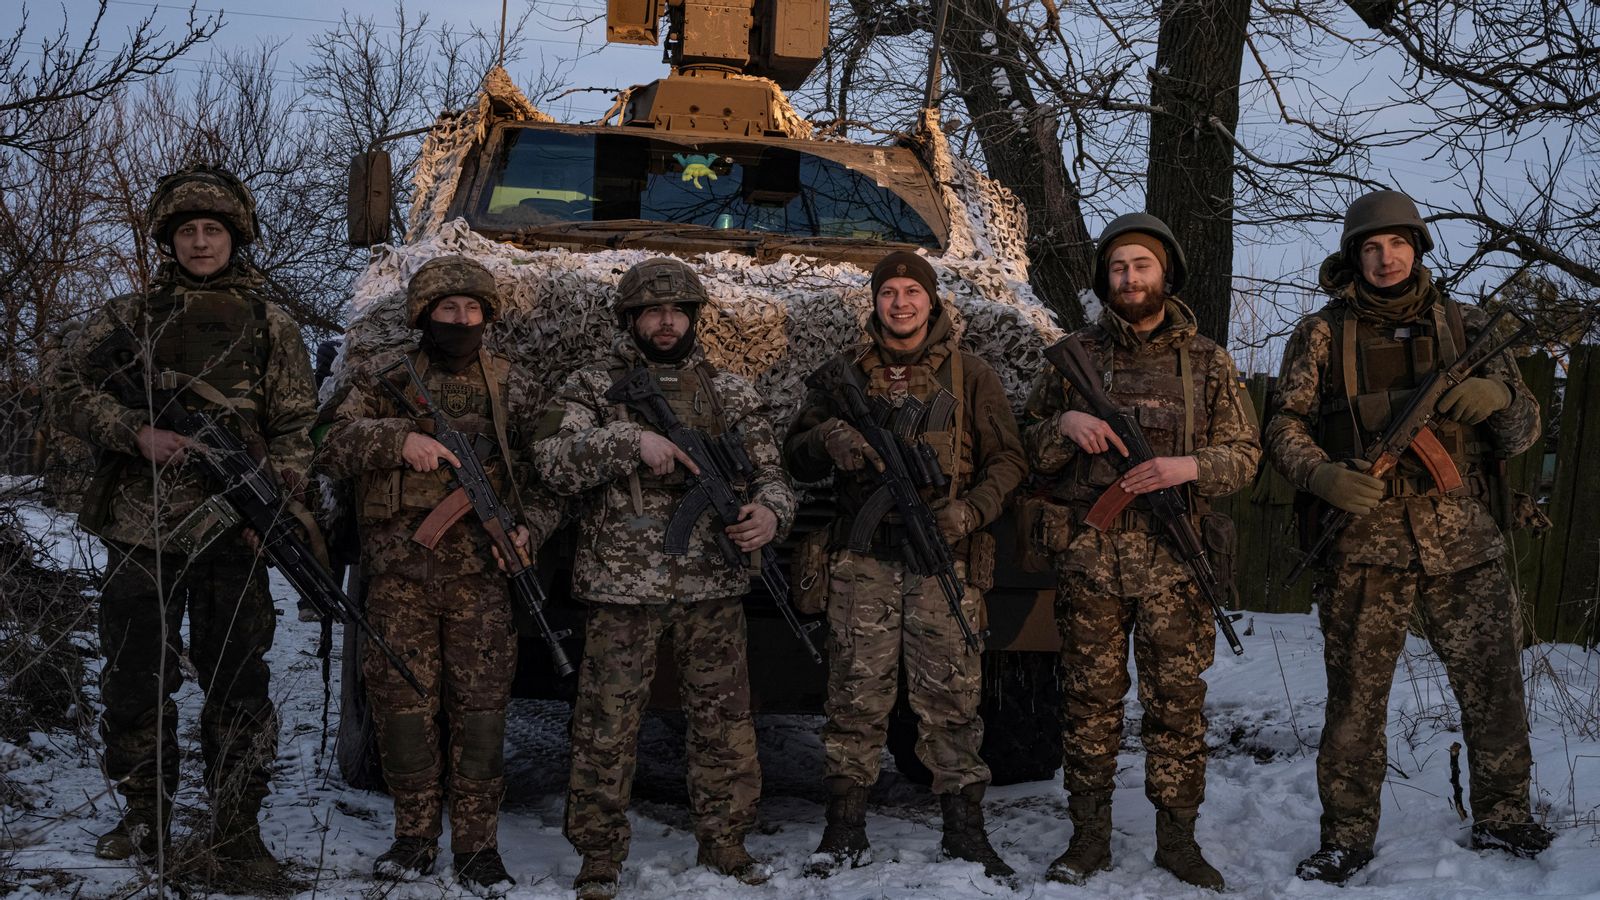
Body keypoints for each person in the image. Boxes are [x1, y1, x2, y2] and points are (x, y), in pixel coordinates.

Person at [1265, 189, 1552, 884]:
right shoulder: (1321, 334)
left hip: (1465, 542)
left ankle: (1504, 816)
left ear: (1418, 248)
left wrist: (1503, 398)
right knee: (1355, 703)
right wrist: (1323, 476)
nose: (1385, 257)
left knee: (1494, 688)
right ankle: (1348, 836)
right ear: (1353, 257)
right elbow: (1281, 427)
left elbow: (1526, 431)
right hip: (1365, 546)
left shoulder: (1470, 325)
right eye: (1370, 247)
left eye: (1397, 244)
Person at [52, 165, 316, 876]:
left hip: (235, 531)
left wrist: (281, 496)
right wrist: (133, 432)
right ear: (169, 241)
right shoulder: (127, 317)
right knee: (138, 675)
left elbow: (296, 424)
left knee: (239, 680)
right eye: (189, 231)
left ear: (237, 238)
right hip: (144, 530)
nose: (201, 243)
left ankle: (236, 823)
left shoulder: (271, 323)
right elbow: (66, 388)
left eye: (214, 230)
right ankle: (145, 816)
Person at [531, 257, 795, 900]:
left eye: (677, 310)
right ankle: (598, 855)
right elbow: (550, 460)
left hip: (712, 586)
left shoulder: (729, 392)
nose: (667, 320)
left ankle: (727, 842)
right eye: (653, 311)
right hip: (622, 590)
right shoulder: (592, 387)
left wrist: (770, 515)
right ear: (631, 319)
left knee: (726, 724)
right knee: (606, 726)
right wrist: (629, 444)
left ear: (694, 317)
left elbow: (773, 475)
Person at [1021, 213, 1259, 890]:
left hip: (1176, 570)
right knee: (1089, 707)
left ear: (1166, 273)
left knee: (1177, 708)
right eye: (1119, 268)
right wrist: (1065, 423)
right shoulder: (1076, 357)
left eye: (1142, 266)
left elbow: (1245, 457)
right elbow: (1029, 447)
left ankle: (1178, 841)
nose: (1130, 279)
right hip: (1091, 562)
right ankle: (1088, 837)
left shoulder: (1208, 361)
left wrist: (1187, 469)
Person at [316, 255, 557, 897]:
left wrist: (532, 524)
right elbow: (326, 441)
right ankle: (414, 837)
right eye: (447, 310)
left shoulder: (514, 386)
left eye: (472, 310)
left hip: (482, 578)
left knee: (480, 712)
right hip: (398, 578)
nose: (461, 320)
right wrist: (400, 442)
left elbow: (549, 471)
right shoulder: (383, 378)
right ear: (424, 315)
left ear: (488, 316)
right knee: (401, 708)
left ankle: (478, 847)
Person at [783, 250, 1026, 881]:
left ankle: (965, 831)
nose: (900, 303)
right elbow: (796, 457)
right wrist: (826, 441)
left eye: (911, 292)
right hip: (862, 559)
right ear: (875, 302)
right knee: (854, 698)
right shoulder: (844, 377)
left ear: (931, 300)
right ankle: (843, 829)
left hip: (941, 556)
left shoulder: (972, 377)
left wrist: (970, 513)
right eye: (888, 292)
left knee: (952, 698)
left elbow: (1009, 462)